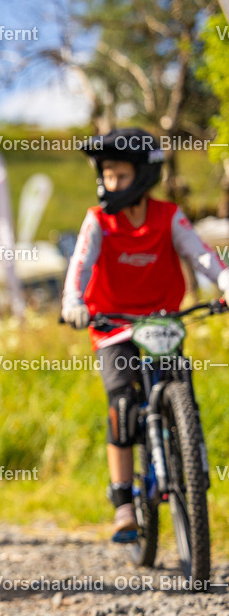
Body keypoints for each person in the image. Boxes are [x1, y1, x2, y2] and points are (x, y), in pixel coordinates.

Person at [62, 128, 229, 542]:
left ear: (141, 174)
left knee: (179, 387)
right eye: (105, 175)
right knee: (122, 399)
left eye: (118, 175)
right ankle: (123, 501)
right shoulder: (98, 220)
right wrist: (73, 302)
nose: (109, 184)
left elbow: (201, 254)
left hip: (161, 320)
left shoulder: (168, 216)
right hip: (112, 324)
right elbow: (79, 266)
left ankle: (190, 456)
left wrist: (224, 282)